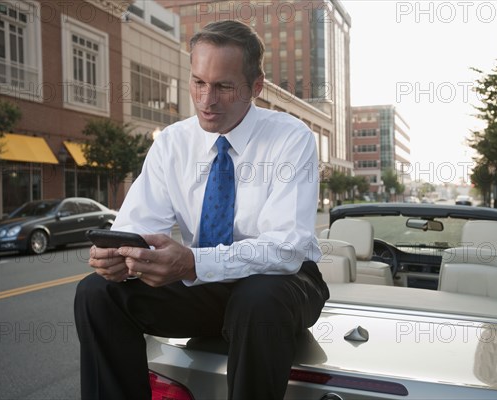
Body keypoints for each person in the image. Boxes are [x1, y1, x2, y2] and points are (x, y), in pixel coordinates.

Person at [74, 20, 329, 400]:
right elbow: (136, 227)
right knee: (96, 293)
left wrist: (194, 263)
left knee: (257, 298)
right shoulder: (172, 143)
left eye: (224, 86)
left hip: (284, 285)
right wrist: (119, 256)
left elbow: (287, 248)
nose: (206, 100)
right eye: (198, 82)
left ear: (255, 87)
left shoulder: (291, 138)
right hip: (205, 287)